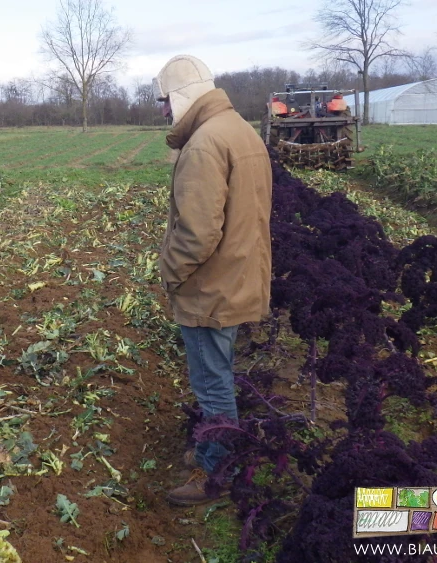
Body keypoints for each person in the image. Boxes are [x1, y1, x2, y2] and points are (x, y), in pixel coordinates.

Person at [152, 55, 272, 506]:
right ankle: (211, 450)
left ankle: (215, 471)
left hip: (211, 289)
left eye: (165, 100)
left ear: (182, 95)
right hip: (237, 276)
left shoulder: (203, 144)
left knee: (212, 382)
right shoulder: (238, 130)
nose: (164, 110)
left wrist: (169, 273)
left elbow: (198, 233)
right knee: (218, 374)